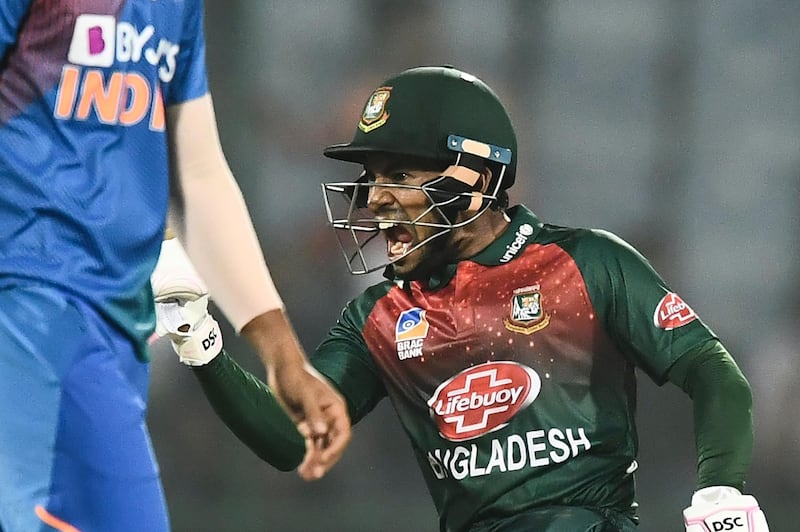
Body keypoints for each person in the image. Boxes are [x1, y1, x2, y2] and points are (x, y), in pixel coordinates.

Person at [153, 66, 769, 532]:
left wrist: (721, 493)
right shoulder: (379, 317)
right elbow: (296, 440)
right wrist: (198, 338)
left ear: (474, 179)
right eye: (371, 179)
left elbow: (711, 371)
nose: (373, 201)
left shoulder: (585, 263)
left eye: (397, 176)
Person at [0, 3, 349, 531]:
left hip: (113, 327)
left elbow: (200, 172)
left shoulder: (175, 6)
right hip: (30, 309)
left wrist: (283, 355)